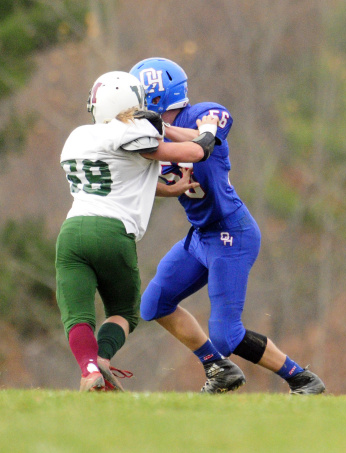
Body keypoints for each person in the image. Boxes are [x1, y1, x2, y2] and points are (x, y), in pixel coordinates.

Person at [130, 57, 325, 394]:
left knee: (226, 335)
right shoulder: (147, 135)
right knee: (154, 304)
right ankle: (219, 370)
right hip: (200, 235)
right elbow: (145, 183)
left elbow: (205, 139)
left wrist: (162, 129)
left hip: (231, 232)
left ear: (155, 98)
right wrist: (167, 187)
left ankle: (302, 379)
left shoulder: (203, 113)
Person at [58, 71, 217, 391]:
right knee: (124, 312)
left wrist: (171, 190)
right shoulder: (131, 131)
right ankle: (102, 359)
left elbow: (123, 178)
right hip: (111, 232)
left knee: (78, 315)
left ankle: (89, 370)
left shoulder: (78, 136)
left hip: (71, 232)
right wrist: (209, 131)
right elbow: (194, 152)